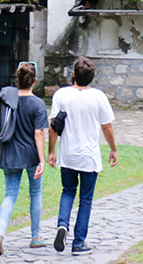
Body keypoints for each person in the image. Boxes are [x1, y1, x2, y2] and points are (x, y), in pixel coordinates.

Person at [47, 56, 117, 256]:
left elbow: (53, 126)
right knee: (85, 199)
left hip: (68, 153)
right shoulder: (98, 97)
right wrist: (113, 149)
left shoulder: (61, 95)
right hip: (89, 155)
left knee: (67, 191)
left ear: (74, 75)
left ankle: (62, 225)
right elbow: (107, 126)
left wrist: (51, 151)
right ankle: (78, 242)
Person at [0, 61, 48, 255]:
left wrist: (0, 150)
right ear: (34, 81)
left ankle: (0, 234)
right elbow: (38, 134)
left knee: (10, 194)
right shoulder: (38, 104)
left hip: (9, 151)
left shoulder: (7, 100)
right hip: (31, 154)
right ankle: (36, 237)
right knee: (36, 194)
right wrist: (42, 160)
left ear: (17, 79)